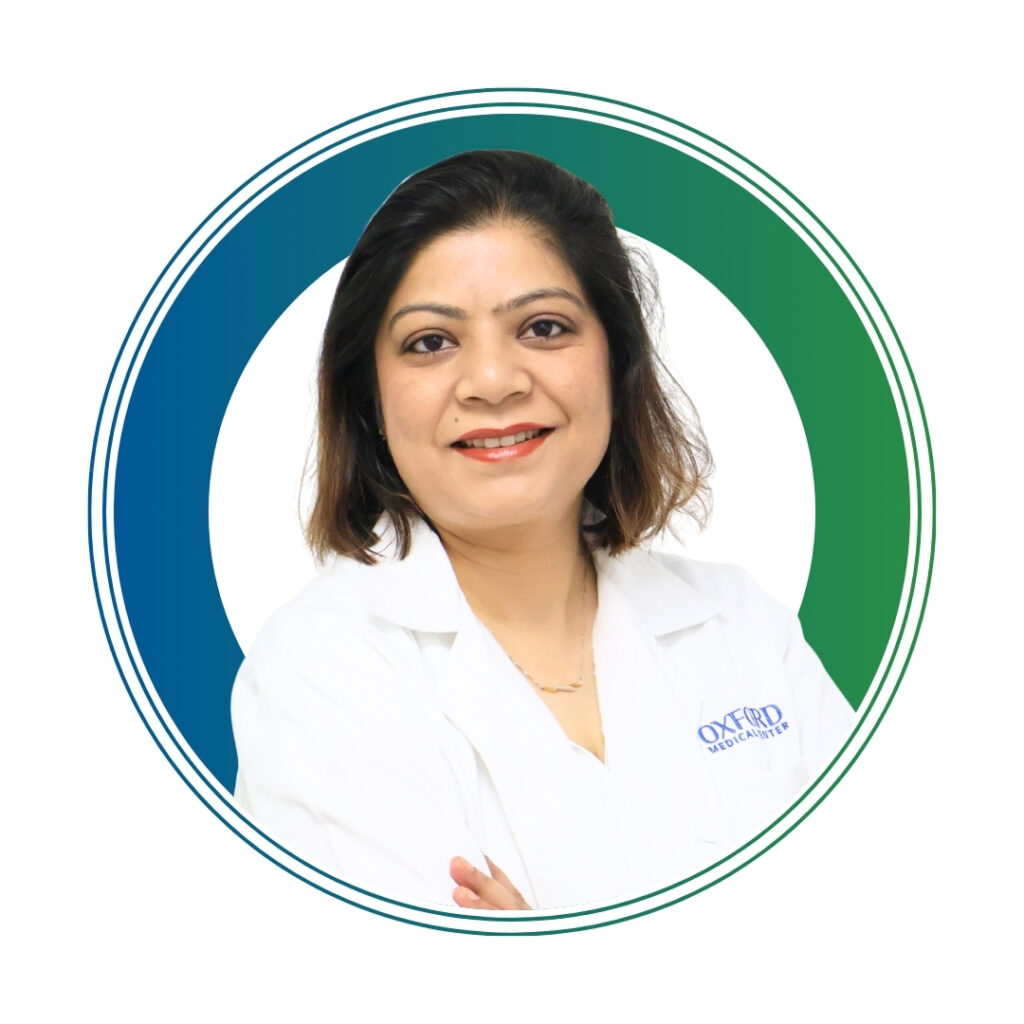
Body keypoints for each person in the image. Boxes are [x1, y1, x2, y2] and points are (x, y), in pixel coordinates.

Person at [230, 150, 854, 911]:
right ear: (370, 398)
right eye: (431, 342)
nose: (493, 382)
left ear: (617, 362)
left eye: (544, 327)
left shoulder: (742, 626)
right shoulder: (319, 670)